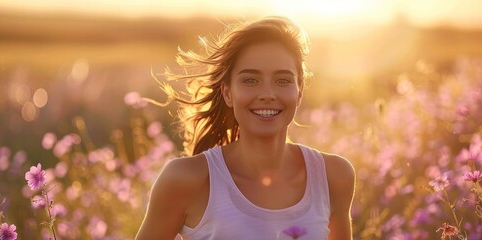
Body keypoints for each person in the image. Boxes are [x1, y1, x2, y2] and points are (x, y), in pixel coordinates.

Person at [136, 16, 355, 240]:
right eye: (250, 80)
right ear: (228, 93)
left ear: (299, 92)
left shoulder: (334, 176)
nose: (268, 94)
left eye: (282, 80)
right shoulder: (186, 179)